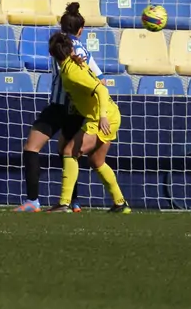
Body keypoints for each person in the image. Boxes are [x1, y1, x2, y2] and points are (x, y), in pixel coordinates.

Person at [15, 2, 101, 213]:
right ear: (81, 30)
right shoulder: (84, 50)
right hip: (77, 110)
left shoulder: (59, 44)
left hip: (59, 105)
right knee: (67, 152)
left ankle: (33, 201)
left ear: (62, 27)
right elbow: (99, 78)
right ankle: (74, 202)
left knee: (32, 147)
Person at [48, 32, 130, 213]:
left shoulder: (71, 72)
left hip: (102, 117)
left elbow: (101, 89)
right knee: (97, 160)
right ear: (70, 50)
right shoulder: (74, 63)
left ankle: (64, 203)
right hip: (110, 113)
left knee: (69, 151)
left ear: (52, 54)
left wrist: (102, 116)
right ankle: (120, 203)